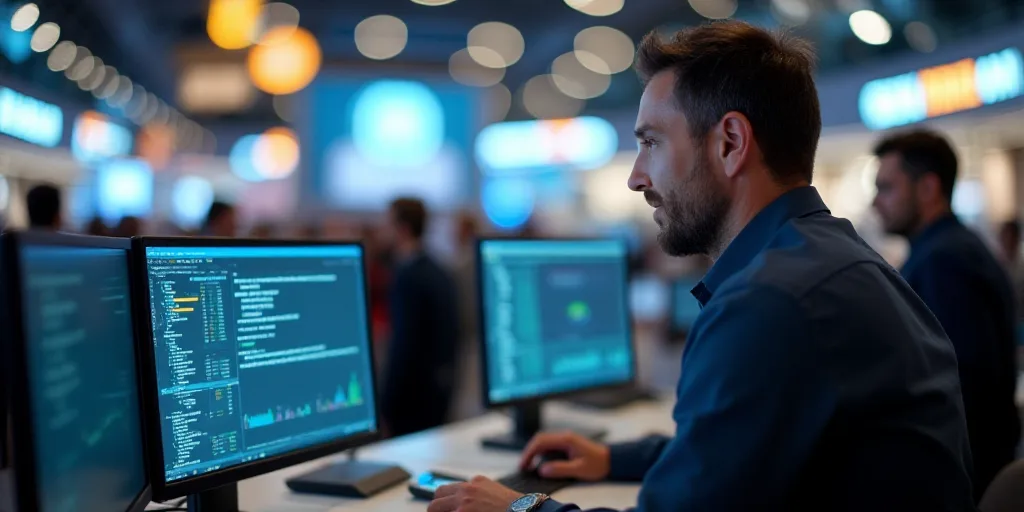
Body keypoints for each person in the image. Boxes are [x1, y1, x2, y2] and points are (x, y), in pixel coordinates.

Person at [429, 21, 975, 512]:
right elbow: (751, 444)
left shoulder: (770, 302)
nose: (636, 177)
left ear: (731, 144)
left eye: (651, 143)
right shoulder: (830, 262)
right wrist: (615, 458)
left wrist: (521, 508)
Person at [872, 129, 1021, 499]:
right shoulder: (948, 249)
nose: (876, 203)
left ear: (928, 189)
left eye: (887, 187)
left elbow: (961, 386)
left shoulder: (944, 261)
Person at [380, 197, 459, 437]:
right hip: (437, 394)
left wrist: (386, 404)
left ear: (401, 228)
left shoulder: (408, 276)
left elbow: (403, 345)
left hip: (411, 400)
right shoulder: (439, 270)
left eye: (388, 224)